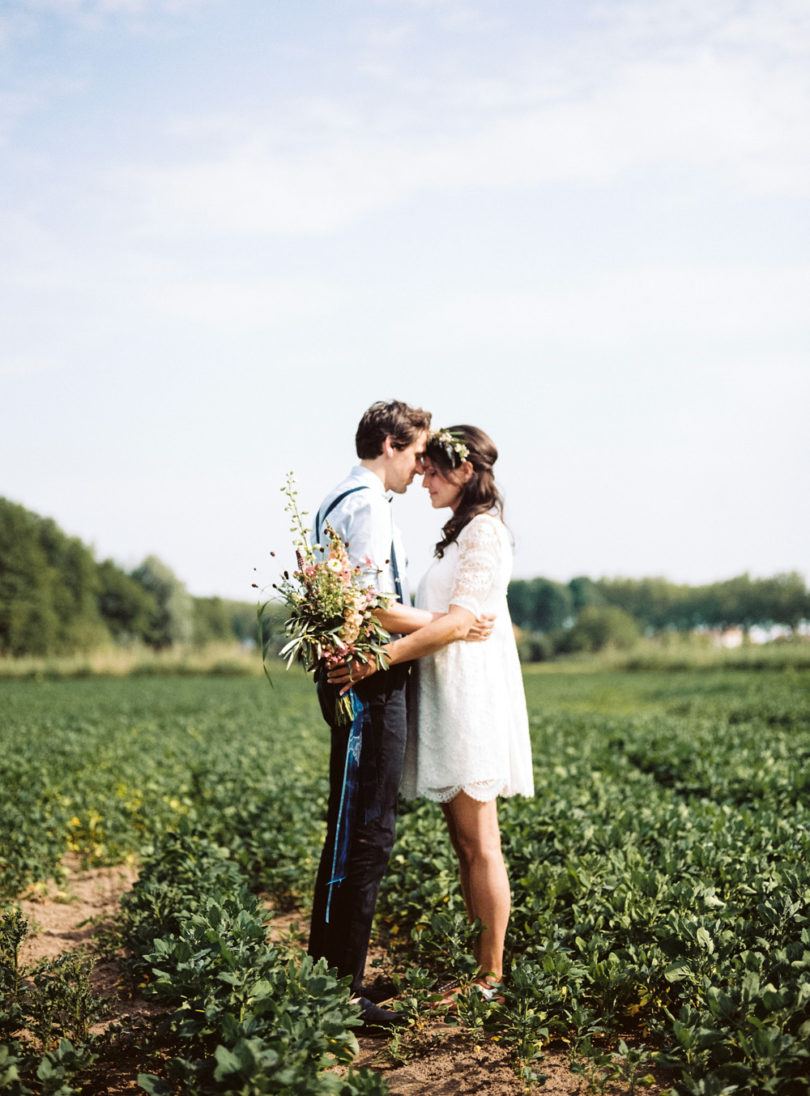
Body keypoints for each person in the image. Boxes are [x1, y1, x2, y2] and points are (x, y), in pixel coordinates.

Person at [328, 424, 533, 999]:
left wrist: (376, 660)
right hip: (444, 695)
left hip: (470, 698)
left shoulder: (486, 536)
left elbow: (459, 620)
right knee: (464, 844)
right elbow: (435, 619)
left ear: (466, 472)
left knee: (480, 842)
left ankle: (491, 978)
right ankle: (479, 970)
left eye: (436, 470)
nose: (425, 479)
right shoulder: (457, 537)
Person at [308, 401, 494, 1029]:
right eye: (417, 454)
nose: (421, 470)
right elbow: (368, 602)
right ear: (390, 443)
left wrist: (452, 622)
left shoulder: (346, 499)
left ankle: (332, 979)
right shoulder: (363, 504)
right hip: (371, 677)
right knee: (366, 834)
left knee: (354, 828)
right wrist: (454, 625)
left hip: (368, 674)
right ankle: (340, 993)